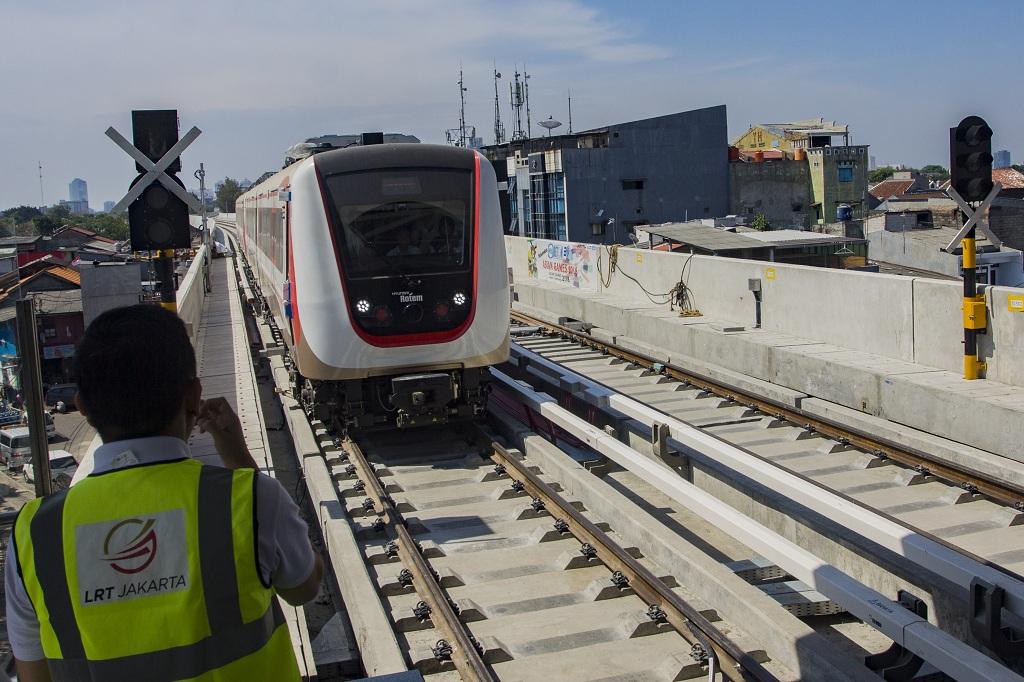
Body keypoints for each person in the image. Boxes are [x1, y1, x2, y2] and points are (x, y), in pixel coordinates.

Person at [5, 305, 323, 681]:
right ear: (194, 397)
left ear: (84, 409)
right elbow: (304, 587)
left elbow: (34, 673)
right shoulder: (249, 500)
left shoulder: (35, 533)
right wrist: (238, 459)